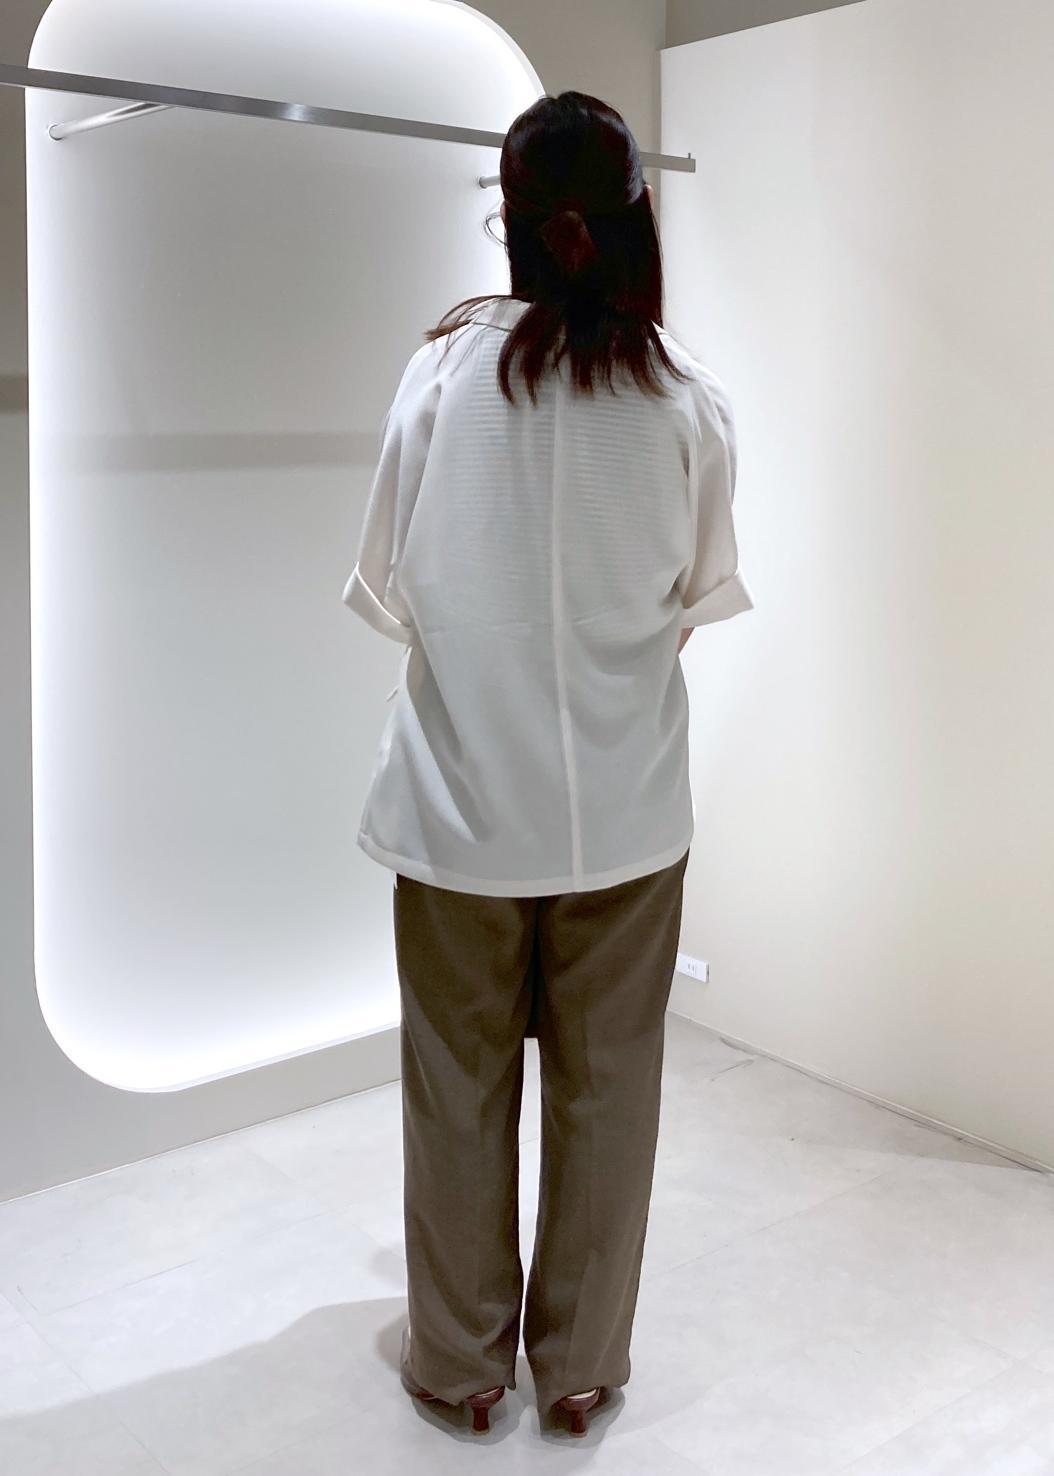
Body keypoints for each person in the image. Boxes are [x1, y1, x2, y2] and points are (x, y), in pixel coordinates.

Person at [342, 90, 754, 1437]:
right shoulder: (686, 397)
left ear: (510, 222)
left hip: (457, 812)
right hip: (624, 821)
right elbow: (698, 595)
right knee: (610, 1093)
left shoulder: (439, 376)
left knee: (455, 1091)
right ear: (637, 219)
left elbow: (388, 586)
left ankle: (461, 1364)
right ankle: (577, 1369)